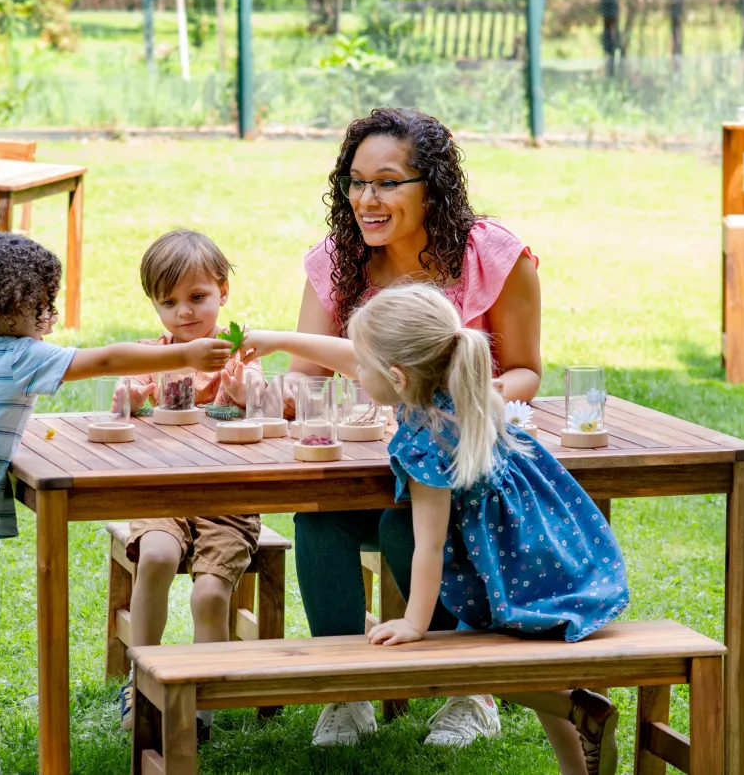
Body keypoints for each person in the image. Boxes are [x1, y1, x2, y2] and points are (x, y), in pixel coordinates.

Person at [0, 232, 231, 775]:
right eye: (39, 301)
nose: (48, 312)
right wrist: (185, 353)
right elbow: (106, 358)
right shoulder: (20, 357)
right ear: (5, 305)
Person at [243, 284, 630, 775]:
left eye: (364, 369)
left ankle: (578, 709)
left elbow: (426, 545)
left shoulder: (428, 437)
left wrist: (415, 624)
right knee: (526, 658)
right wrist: (281, 340)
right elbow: (354, 356)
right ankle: (582, 746)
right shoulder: (453, 387)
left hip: (510, 570)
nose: (355, 374)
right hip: (543, 552)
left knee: (463, 658)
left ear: (397, 377)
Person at [286, 107, 544, 747]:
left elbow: (526, 373)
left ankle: (467, 687)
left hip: (463, 465)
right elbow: (305, 378)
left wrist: (447, 407)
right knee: (318, 518)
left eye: (387, 182)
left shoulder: (494, 256)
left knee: (403, 524)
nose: (366, 200)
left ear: (432, 186)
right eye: (355, 182)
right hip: (370, 457)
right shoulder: (337, 261)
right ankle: (347, 690)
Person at [114, 230, 263, 739]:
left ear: (223, 291)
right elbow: (124, 400)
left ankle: (202, 705)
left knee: (207, 596)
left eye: (197, 297)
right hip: (163, 494)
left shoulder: (240, 357)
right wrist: (127, 397)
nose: (184, 312)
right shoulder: (151, 358)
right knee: (154, 556)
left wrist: (251, 397)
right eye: (168, 302)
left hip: (228, 502)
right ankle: (143, 679)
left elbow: (267, 418)